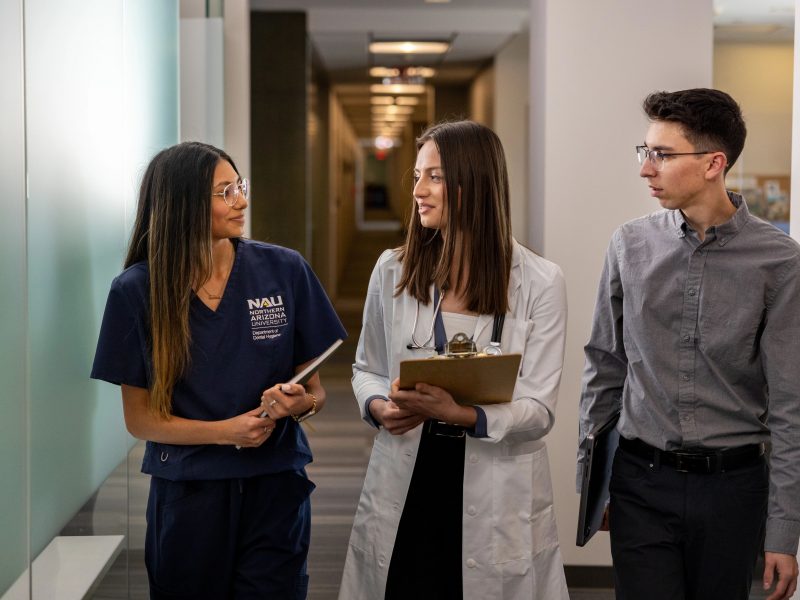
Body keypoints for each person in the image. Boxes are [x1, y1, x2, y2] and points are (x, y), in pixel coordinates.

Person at [90, 141, 346, 599]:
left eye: (239, 186)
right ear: (181, 204)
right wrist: (226, 432)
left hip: (274, 485)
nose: (242, 201)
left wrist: (299, 403)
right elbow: (141, 419)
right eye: (224, 192)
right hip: (190, 493)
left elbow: (316, 392)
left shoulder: (283, 270)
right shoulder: (136, 292)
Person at [578, 88, 800, 600]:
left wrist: (784, 532)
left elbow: (791, 404)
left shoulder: (779, 261)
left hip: (734, 490)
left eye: (662, 154)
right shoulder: (628, 245)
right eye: (645, 151)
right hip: (640, 480)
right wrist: (595, 485)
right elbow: (603, 368)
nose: (645, 169)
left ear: (713, 163)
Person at [339, 120, 570, 600]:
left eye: (435, 177)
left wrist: (461, 415)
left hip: (494, 484)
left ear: (475, 184)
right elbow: (367, 369)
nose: (418, 191)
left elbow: (540, 409)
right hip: (409, 473)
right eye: (417, 176)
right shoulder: (393, 270)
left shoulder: (541, 282)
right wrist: (380, 406)